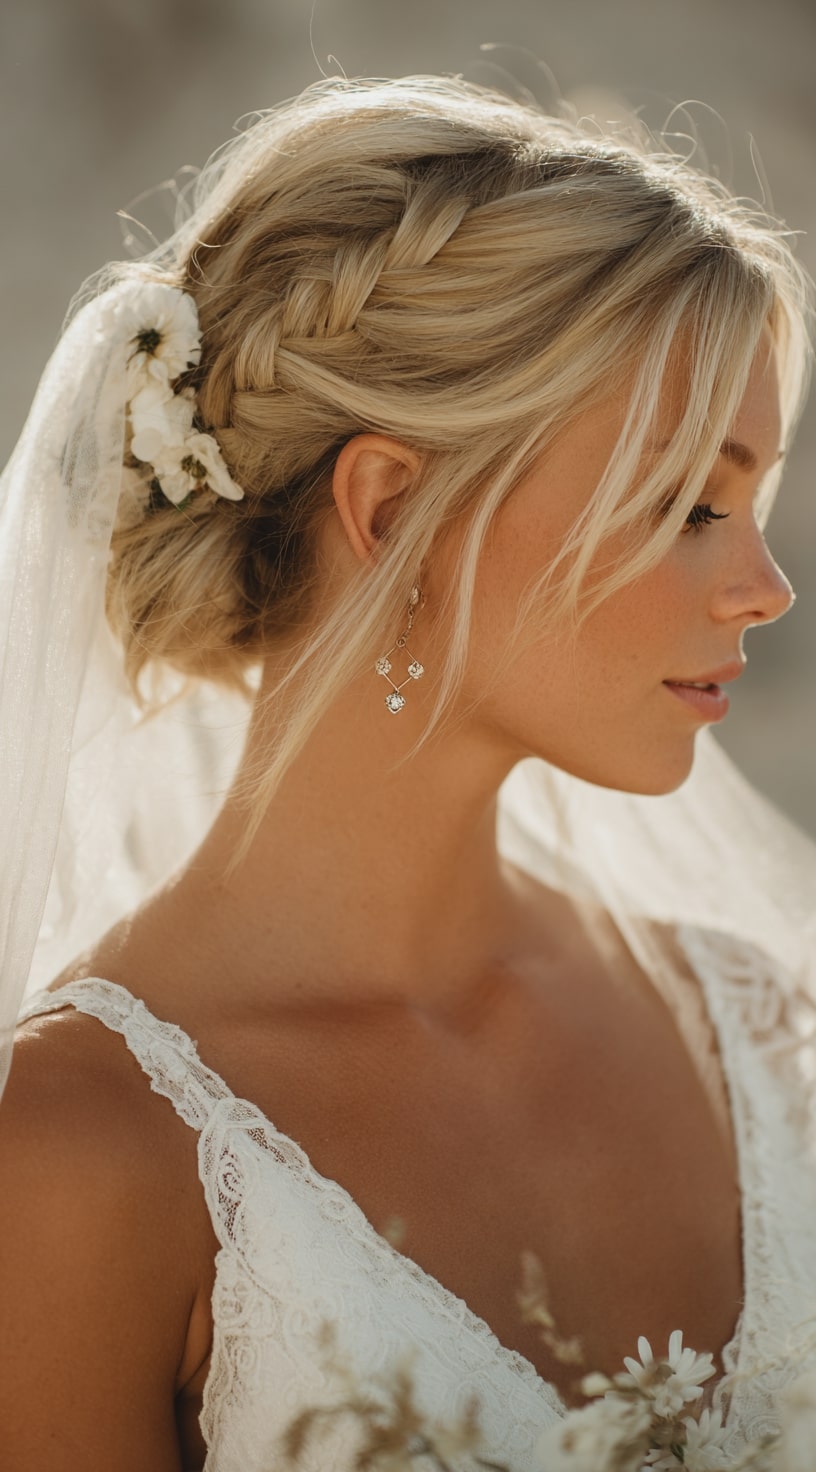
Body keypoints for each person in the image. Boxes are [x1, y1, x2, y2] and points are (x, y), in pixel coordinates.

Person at [0, 74, 814, 1472]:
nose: (766, 588)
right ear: (392, 510)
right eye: (689, 503)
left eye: (755, 503)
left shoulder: (756, 1025)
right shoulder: (80, 1158)